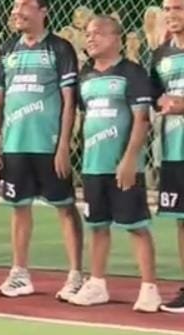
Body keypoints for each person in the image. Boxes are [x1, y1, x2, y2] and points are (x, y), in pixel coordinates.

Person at [0, 0, 84, 300]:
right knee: (19, 208)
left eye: (25, 5)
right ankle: (20, 274)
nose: (17, 11)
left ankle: (76, 275)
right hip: (15, 145)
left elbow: (69, 102)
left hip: (48, 146)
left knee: (65, 207)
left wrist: (63, 145)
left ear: (43, 11)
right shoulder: (8, 50)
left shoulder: (59, 49)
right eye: (15, 6)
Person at [68, 16, 160, 312]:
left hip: (123, 166)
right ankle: (97, 284)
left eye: (98, 33)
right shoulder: (85, 76)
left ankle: (149, 288)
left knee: (136, 226)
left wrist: (129, 159)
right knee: (97, 226)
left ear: (116, 38)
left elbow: (141, 120)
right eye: (87, 34)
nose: (90, 38)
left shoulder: (132, 73)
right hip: (93, 166)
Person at [151, 0, 184, 313]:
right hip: (174, 150)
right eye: (167, 9)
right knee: (182, 220)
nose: (171, 14)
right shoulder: (160, 55)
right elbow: (153, 97)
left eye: (178, 8)